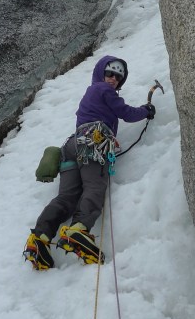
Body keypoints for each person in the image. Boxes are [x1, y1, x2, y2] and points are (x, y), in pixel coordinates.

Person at [23, 55, 156, 270]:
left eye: (118, 76)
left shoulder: (91, 92)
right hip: (94, 141)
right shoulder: (104, 90)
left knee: (67, 197)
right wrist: (146, 111)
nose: (113, 79)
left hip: (72, 147)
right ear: (101, 73)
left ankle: (40, 238)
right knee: (95, 185)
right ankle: (78, 230)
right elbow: (126, 113)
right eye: (109, 73)